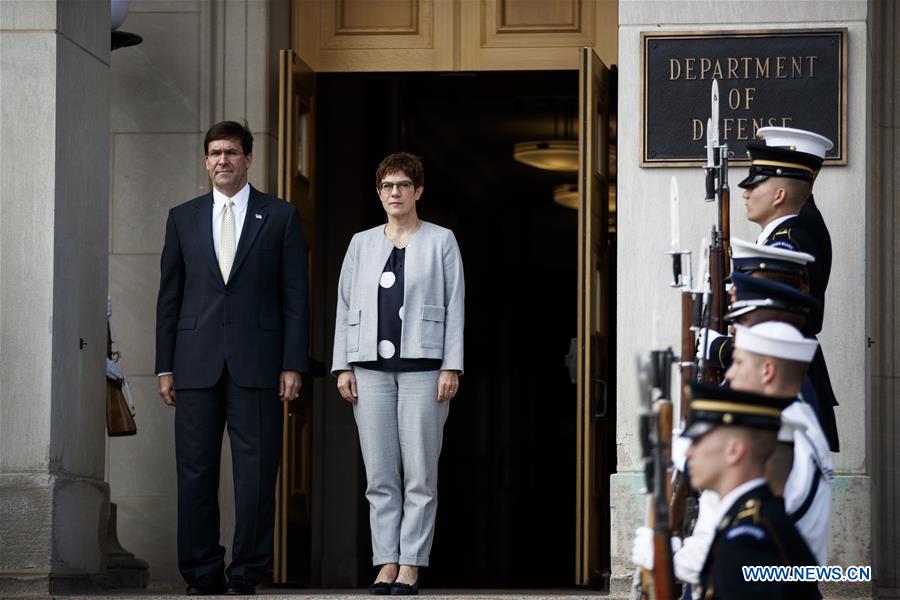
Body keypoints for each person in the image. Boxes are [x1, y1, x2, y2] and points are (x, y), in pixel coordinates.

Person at [155, 121, 309, 596]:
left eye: (231, 152)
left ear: (248, 159)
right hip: (195, 362)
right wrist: (165, 365)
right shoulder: (182, 217)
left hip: (259, 364)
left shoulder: (280, 216)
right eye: (214, 153)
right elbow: (169, 297)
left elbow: (295, 297)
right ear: (206, 161)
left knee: (258, 471)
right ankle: (202, 571)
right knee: (196, 471)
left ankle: (246, 571)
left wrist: (292, 363)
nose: (222, 160)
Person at [332, 152, 464, 595]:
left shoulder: (442, 240)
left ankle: (411, 563)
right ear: (379, 192)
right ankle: (385, 561)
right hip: (368, 370)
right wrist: (342, 366)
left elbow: (454, 307)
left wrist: (451, 365)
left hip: (425, 372)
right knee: (380, 474)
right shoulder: (361, 243)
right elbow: (345, 306)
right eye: (387, 186)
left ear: (418, 191)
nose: (394, 193)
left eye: (402, 185)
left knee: (421, 473)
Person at [737, 126, 839, 452]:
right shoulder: (783, 233)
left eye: (755, 184)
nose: (745, 193)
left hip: (782, 375)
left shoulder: (792, 237)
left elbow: (775, 317)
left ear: (780, 195)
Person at [683, 382, 821, 599]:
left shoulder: (745, 542)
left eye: (697, 441)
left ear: (734, 451)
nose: (688, 453)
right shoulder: (753, 518)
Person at [725, 322, 833, 566]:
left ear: (767, 371)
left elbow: (746, 535)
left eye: (738, 362)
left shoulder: (783, 435)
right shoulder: (798, 418)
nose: (730, 373)